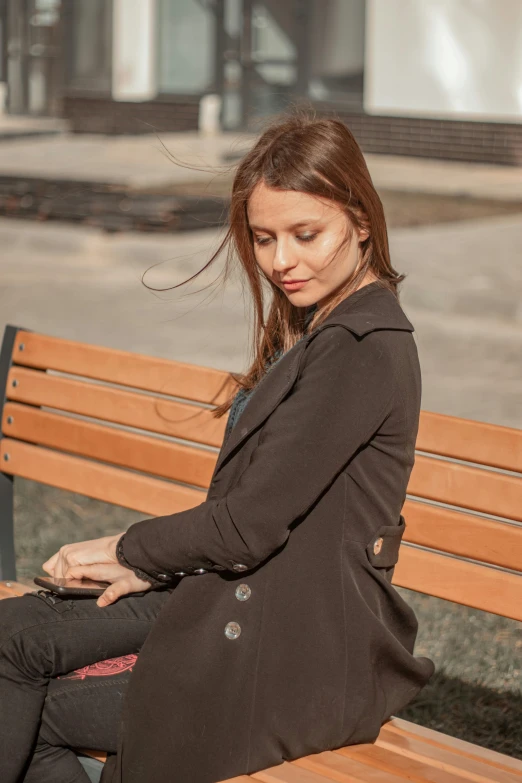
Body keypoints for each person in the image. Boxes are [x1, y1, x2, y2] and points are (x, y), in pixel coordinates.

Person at [0, 114, 435, 783]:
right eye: (264, 238)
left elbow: (249, 522)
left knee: (40, 710)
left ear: (362, 220)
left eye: (305, 234)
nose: (281, 260)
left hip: (292, 646)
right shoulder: (326, 326)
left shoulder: (360, 349)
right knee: (16, 635)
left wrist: (124, 550)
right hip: (240, 594)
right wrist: (151, 566)